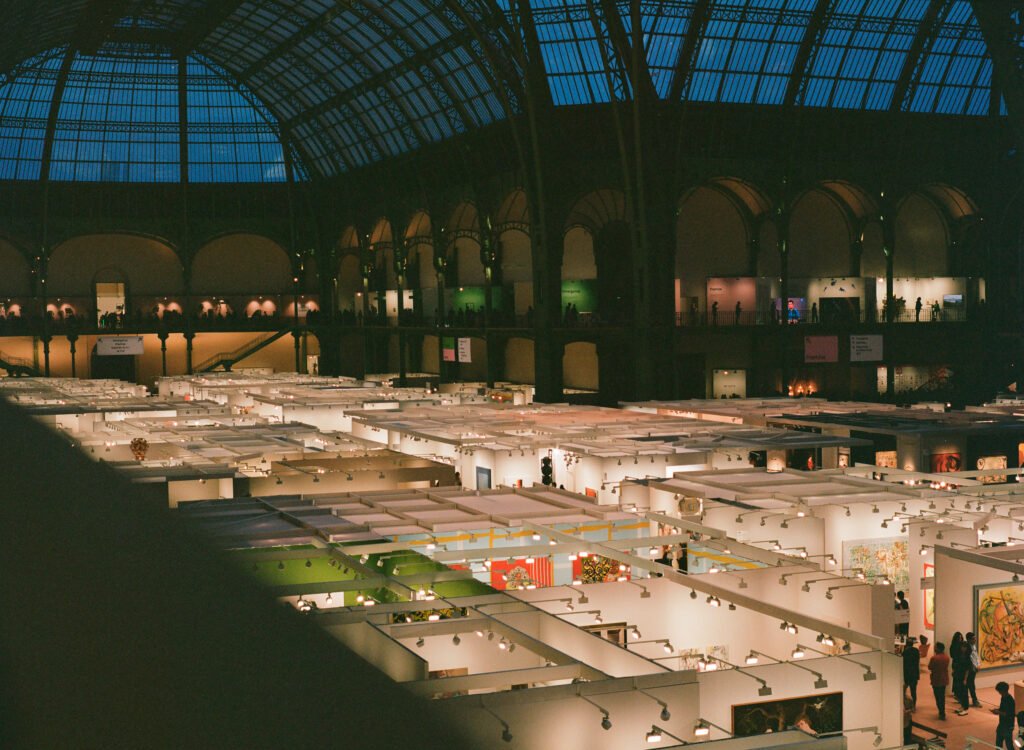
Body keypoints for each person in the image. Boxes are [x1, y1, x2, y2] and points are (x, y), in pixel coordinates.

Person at [929, 642, 950, 720]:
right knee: (942, 696)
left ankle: (941, 712)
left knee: (938, 697)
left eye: (935, 647)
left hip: (936, 679)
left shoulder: (934, 658)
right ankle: (942, 712)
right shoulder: (947, 657)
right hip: (944, 679)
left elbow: (930, 667)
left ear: (938, 648)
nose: (934, 648)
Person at [950, 631, 969, 715]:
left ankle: (965, 708)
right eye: (962, 647)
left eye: (964, 647)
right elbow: (955, 664)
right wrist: (954, 671)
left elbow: (967, 669)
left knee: (964, 692)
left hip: (963, 676)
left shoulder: (967, 658)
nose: (962, 648)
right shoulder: (959, 656)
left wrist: (965, 679)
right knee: (959, 691)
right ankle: (962, 706)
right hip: (958, 674)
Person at [993, 681, 1016, 749]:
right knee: (998, 743)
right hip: (1002, 723)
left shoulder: (1010, 700)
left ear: (1003, 691)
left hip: (1008, 725)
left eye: (999, 691)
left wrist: (998, 712)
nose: (999, 693)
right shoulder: (1003, 697)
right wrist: (997, 710)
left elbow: (1009, 714)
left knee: (1009, 744)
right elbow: (1002, 709)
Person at [903, 637, 920, 709]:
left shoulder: (905, 652)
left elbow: (903, 663)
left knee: (903, 691)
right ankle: (914, 705)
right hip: (914, 674)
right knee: (913, 691)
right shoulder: (916, 651)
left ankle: (906, 705)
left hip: (907, 674)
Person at [966, 632, 981, 707]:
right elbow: (970, 659)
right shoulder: (967, 648)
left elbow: (976, 656)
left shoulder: (973, 646)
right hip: (969, 669)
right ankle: (974, 700)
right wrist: (975, 666)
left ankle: (974, 700)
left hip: (974, 668)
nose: (975, 640)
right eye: (973, 639)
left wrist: (978, 664)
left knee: (971, 684)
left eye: (975, 638)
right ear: (968, 640)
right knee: (970, 685)